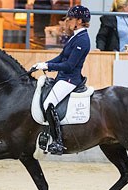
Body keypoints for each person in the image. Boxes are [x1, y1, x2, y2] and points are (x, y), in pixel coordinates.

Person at [32, 5, 91, 155]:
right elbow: (61, 57)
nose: (67, 22)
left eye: (70, 19)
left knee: (48, 104)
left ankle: (58, 141)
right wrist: (44, 64)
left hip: (70, 79)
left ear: (79, 20)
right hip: (63, 77)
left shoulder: (83, 40)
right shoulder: (75, 37)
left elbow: (69, 65)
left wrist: (49, 66)